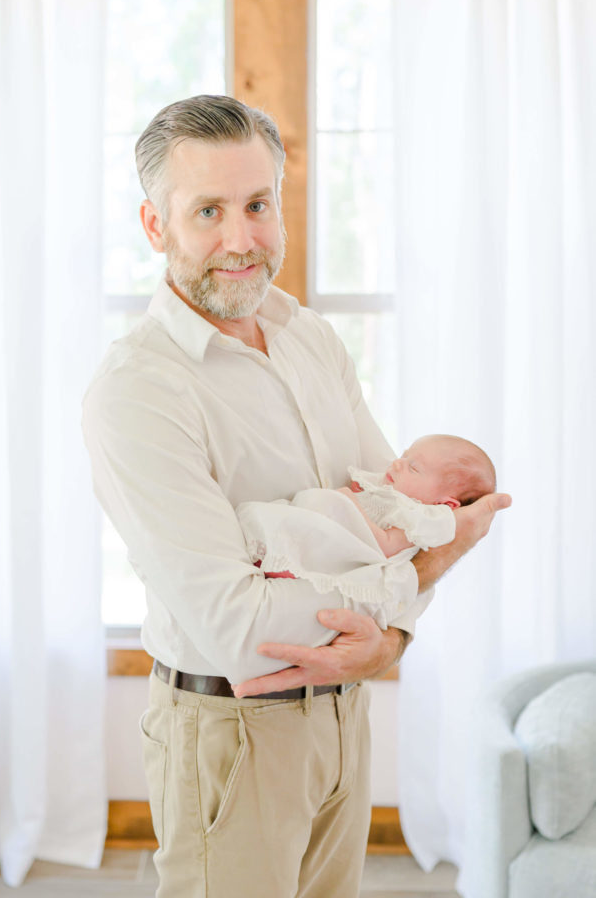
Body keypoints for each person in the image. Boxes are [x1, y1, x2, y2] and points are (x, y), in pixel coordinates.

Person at [82, 95, 511, 898]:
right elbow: (240, 629)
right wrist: (399, 592)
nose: (240, 239)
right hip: (230, 731)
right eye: (207, 210)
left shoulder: (310, 337)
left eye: (257, 205)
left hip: (344, 717)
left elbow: (400, 517)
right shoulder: (137, 392)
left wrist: (382, 643)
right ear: (154, 226)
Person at [239, 434, 496, 629]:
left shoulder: (414, 521)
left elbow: (383, 547)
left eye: (413, 468)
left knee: (329, 507)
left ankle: (285, 559)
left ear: (444, 505)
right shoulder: (391, 494)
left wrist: (348, 503)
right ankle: (276, 547)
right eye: (404, 456)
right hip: (333, 536)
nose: (397, 464)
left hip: (349, 549)